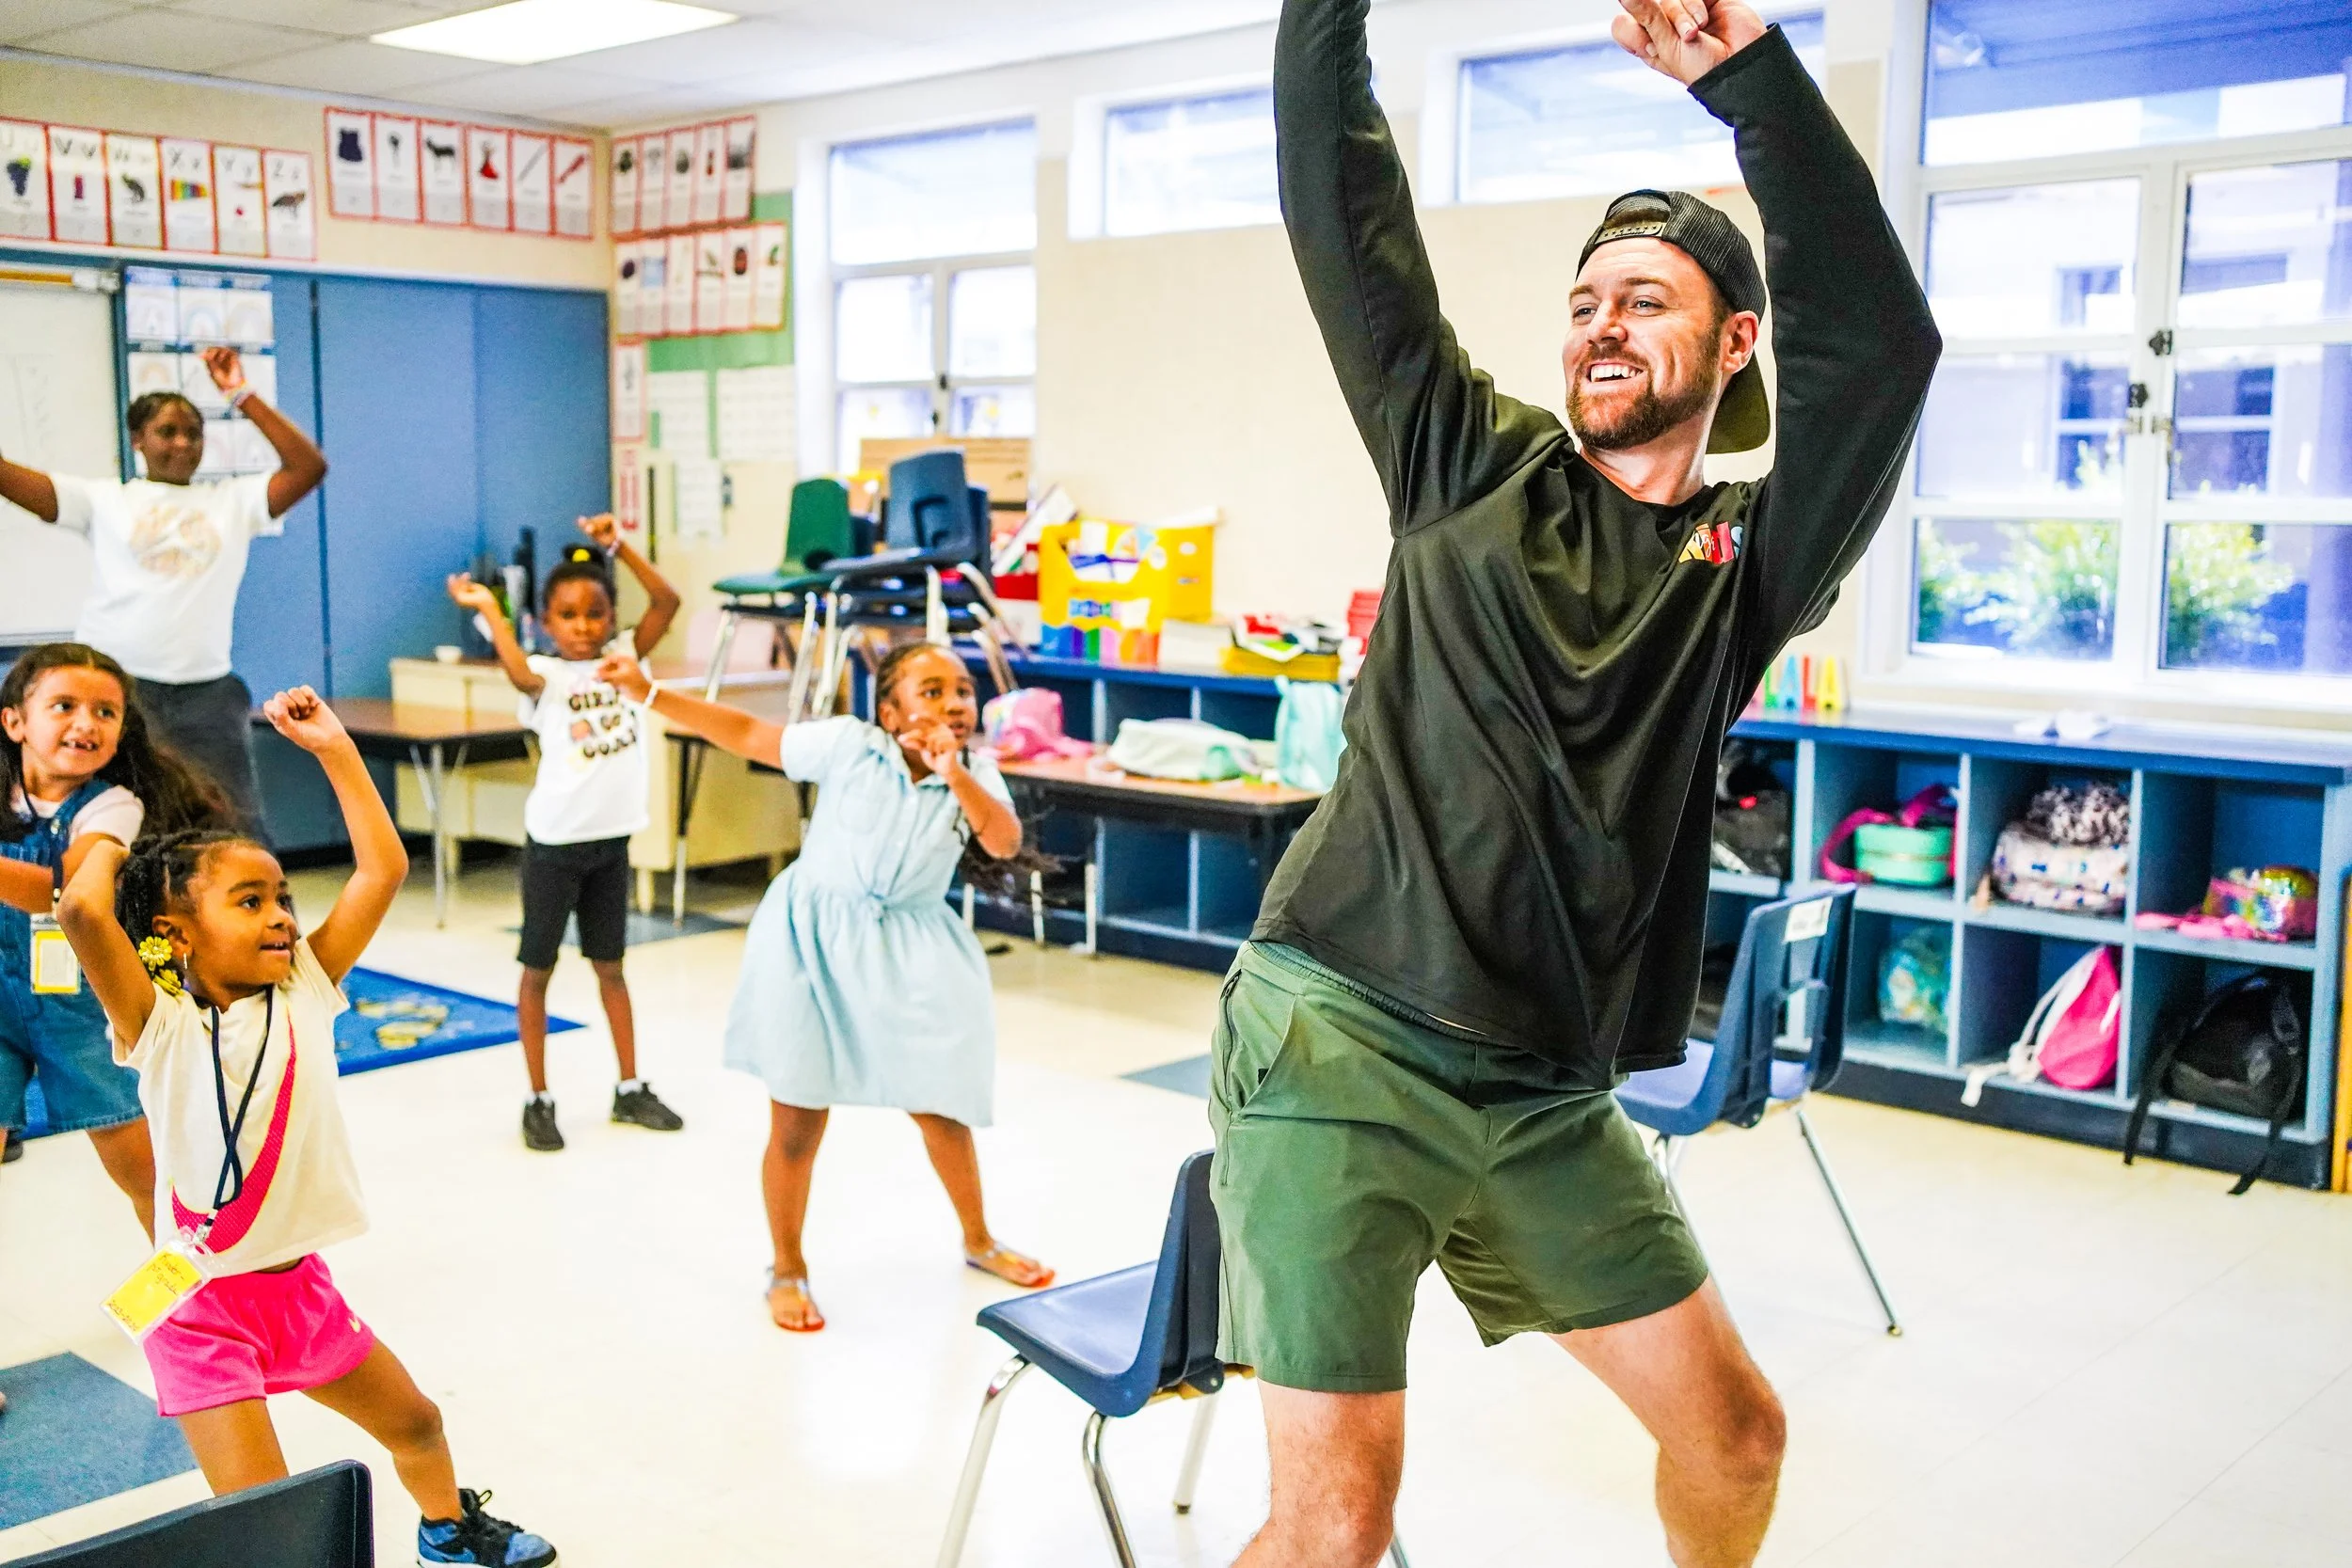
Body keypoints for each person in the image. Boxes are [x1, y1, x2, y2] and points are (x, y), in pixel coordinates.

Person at [1217, 2, 1941, 1564]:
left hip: (1545, 1088)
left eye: (1650, 301)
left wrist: (1749, 83)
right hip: (1340, 1034)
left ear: (1738, 342)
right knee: (1336, 1524)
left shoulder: (1745, 565)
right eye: (1587, 300)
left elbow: (1883, 348)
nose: (1603, 325)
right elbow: (1339, 206)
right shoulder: (1461, 458)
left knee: (1737, 1437)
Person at [55, 687, 558, 1568]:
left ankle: (447, 1529)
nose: (283, 915)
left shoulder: (307, 988)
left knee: (418, 1423)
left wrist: (335, 751)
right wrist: (101, 845)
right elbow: (84, 913)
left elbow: (382, 869)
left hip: (297, 1291)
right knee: (271, 1526)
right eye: (249, 902)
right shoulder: (158, 1022)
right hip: (199, 1309)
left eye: (281, 895)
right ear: (173, 933)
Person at [600, 641, 1054, 1332]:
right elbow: (748, 734)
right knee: (797, 1118)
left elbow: (1002, 840)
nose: (952, 703)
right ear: (889, 708)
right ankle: (787, 1267)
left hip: (907, 948)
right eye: (930, 690)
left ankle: (978, 1237)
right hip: (809, 941)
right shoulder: (848, 745)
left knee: (939, 1104)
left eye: (961, 691)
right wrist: (650, 693)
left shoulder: (978, 772)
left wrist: (953, 772)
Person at [0, 347, 328, 834]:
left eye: (194, 434)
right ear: (138, 439)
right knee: (121, 823)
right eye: (166, 432)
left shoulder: (232, 502)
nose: (182, 444)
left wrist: (240, 393)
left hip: (208, 695)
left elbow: (308, 467)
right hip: (121, 694)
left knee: (234, 826)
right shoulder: (103, 499)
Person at [446, 515, 683, 1152]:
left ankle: (630, 1086)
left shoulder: (626, 663)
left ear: (611, 618)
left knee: (612, 968)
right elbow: (517, 669)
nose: (584, 625)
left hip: (612, 844)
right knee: (538, 971)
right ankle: (538, 1097)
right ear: (548, 624)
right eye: (569, 615)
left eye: (596, 612)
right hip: (553, 847)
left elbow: (668, 600)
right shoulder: (546, 677)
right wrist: (488, 609)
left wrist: (619, 545)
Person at [0, 643, 224, 1211]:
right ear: (14, 721)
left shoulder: (114, 806)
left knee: (146, 1176)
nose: (85, 723)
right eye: (64, 705)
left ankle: (193, 1285)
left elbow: (62, 890)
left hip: (82, 1010)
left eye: (105, 712)